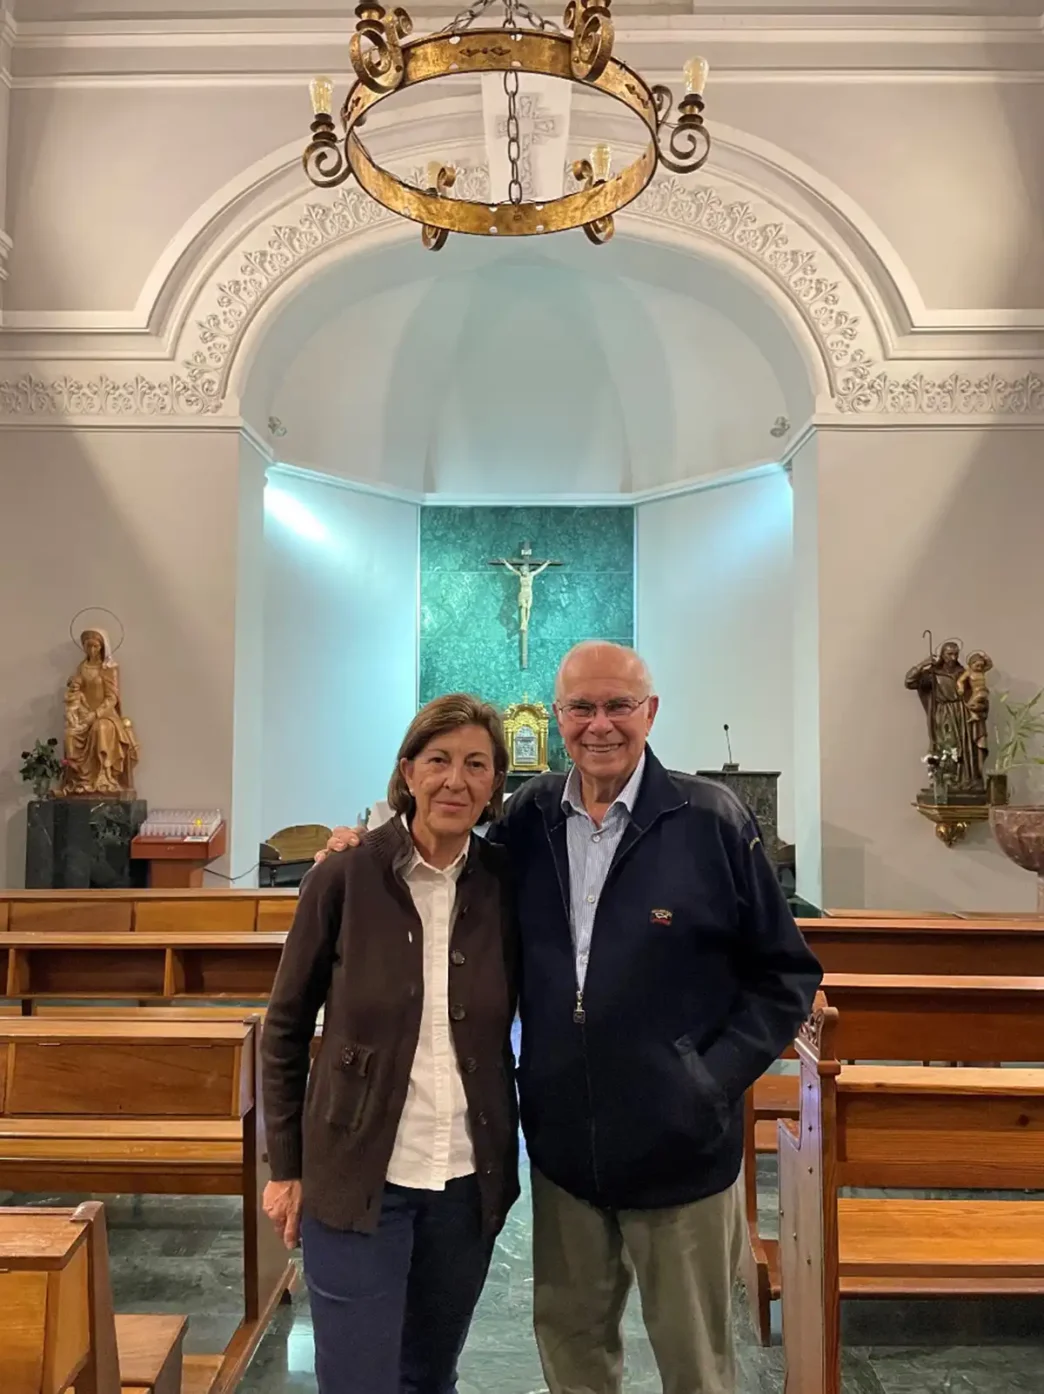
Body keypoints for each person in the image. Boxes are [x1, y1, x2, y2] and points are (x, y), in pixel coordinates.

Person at [324, 642, 822, 1394]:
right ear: (556, 719)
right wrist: (365, 849)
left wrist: (708, 1079)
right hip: (563, 1154)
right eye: (581, 708)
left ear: (649, 712)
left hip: (680, 1152)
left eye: (618, 706)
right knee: (573, 1356)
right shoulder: (528, 818)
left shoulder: (711, 821)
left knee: (697, 1369)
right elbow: (446, 863)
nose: (600, 725)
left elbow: (787, 975)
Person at [261, 693, 519, 1394]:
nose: (455, 781)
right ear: (407, 771)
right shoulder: (343, 876)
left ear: (496, 783)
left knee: (430, 1376)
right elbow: (284, 1027)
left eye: (476, 764)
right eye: (438, 761)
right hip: (354, 1176)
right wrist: (286, 1167)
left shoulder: (505, 887)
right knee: (358, 1382)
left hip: (466, 1185)